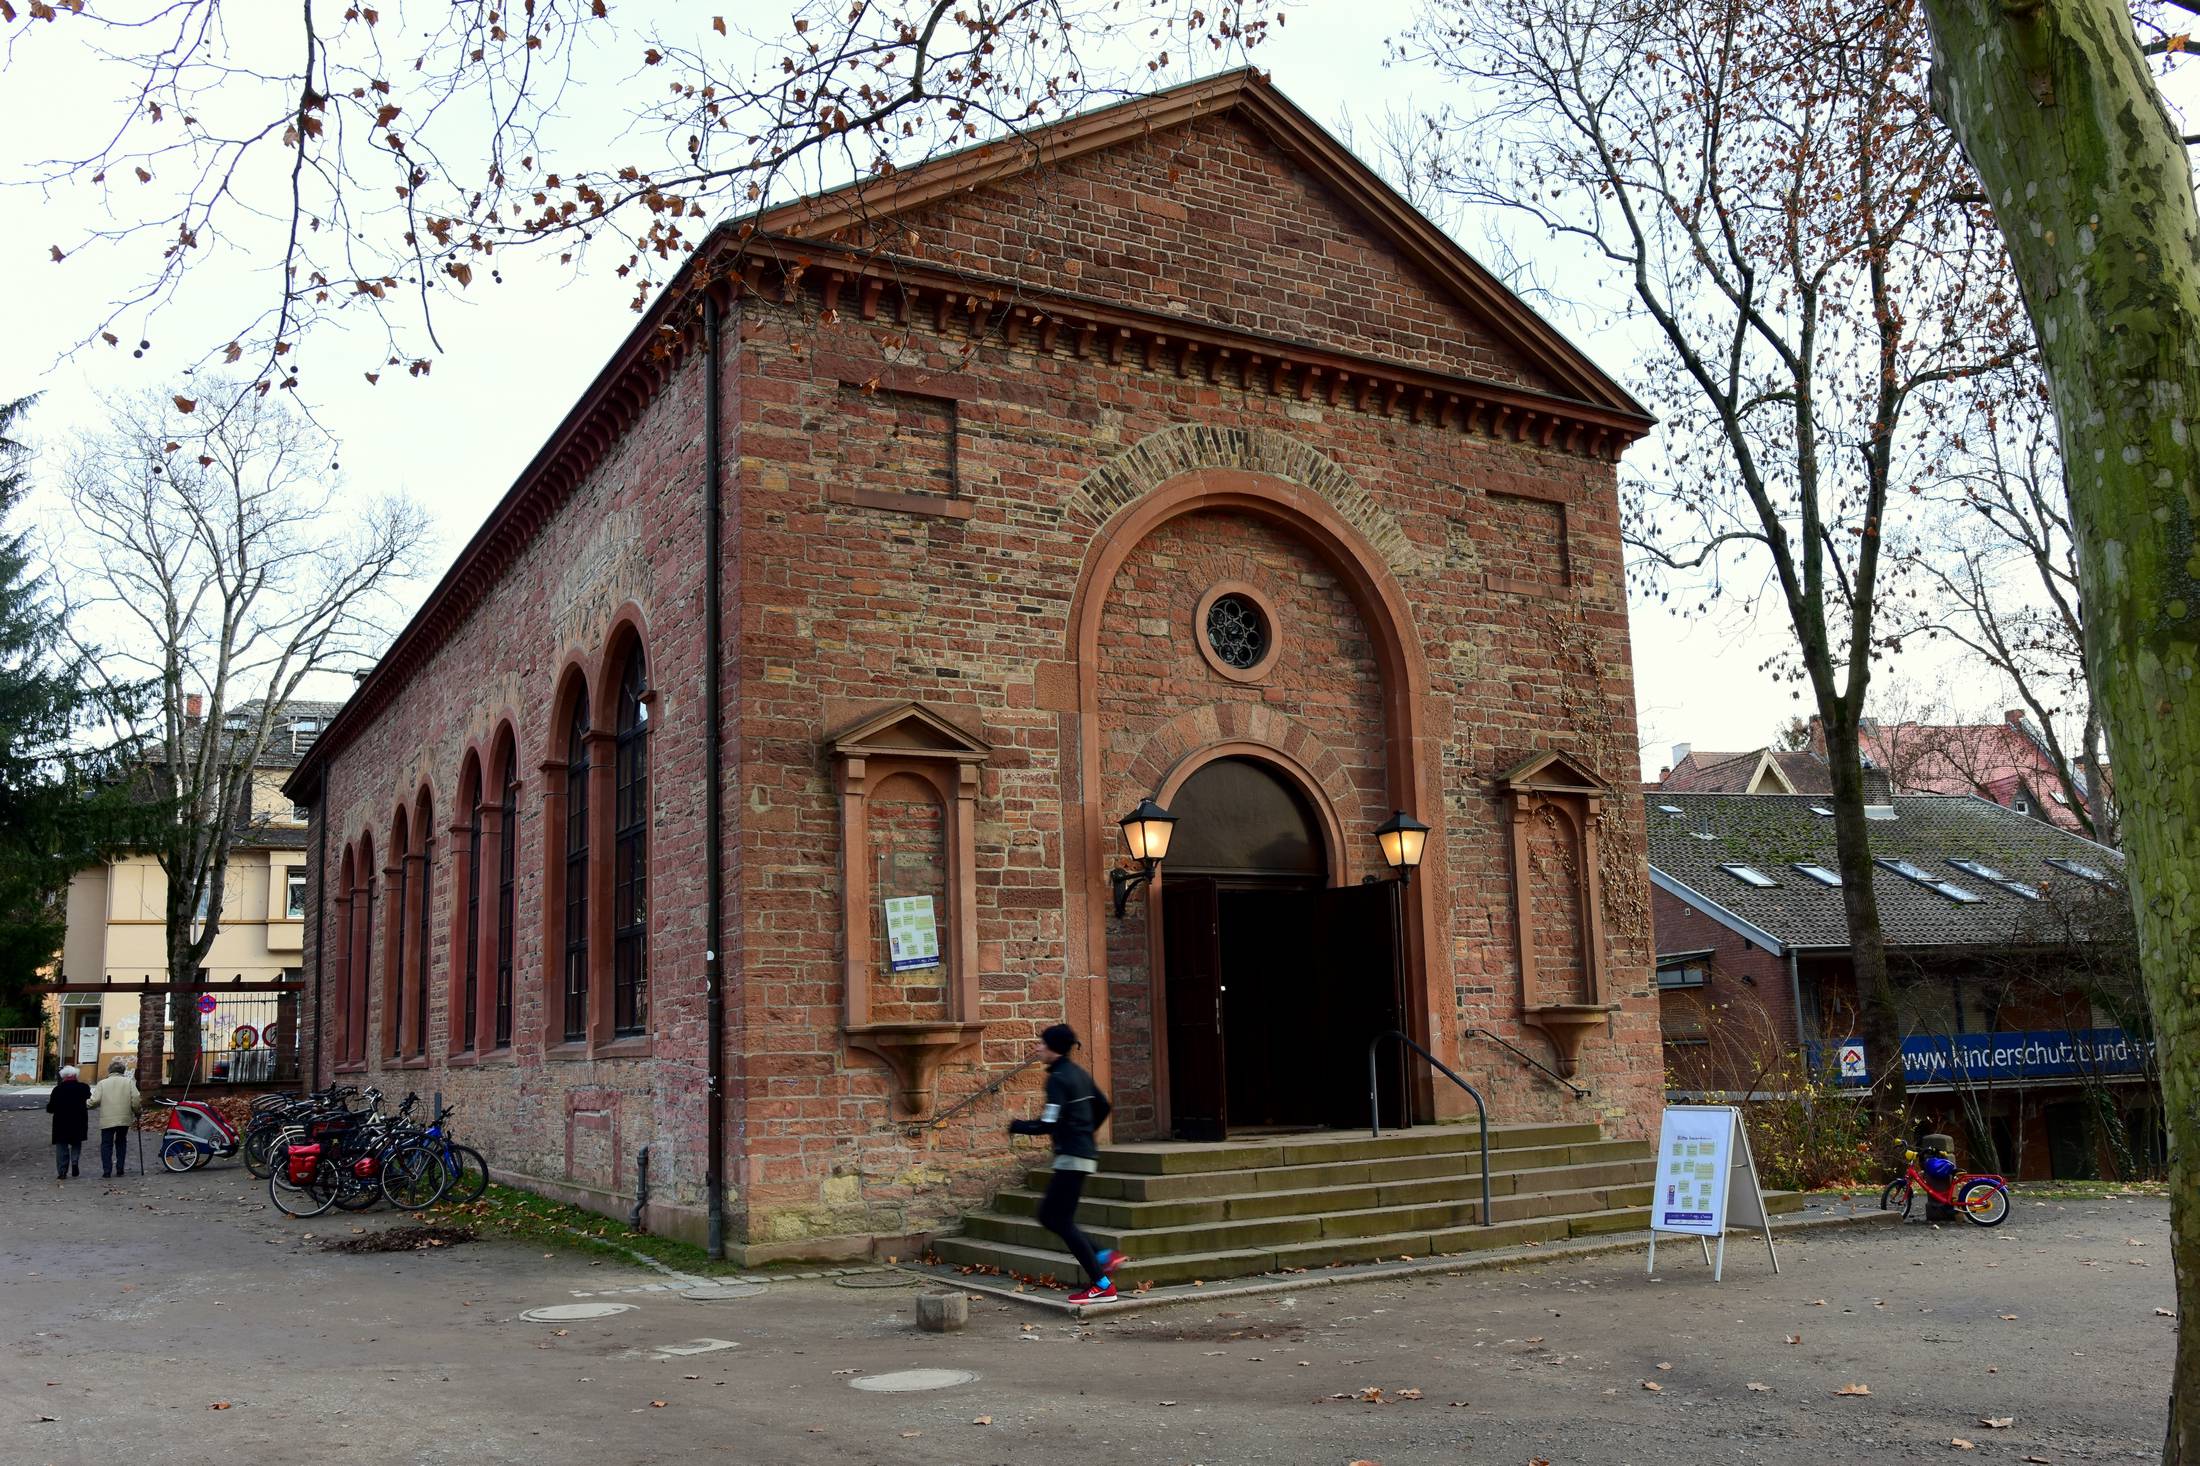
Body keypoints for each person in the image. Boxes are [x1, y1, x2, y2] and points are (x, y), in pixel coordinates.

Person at [1008, 1023, 1131, 1305]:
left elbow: (1048, 1123)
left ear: (1053, 1048)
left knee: (1057, 1219)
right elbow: (1103, 1105)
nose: (1038, 1047)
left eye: (1042, 1043)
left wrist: (1019, 1126)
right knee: (1052, 1217)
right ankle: (1103, 1256)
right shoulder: (1077, 1073)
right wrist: (1085, 1132)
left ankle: (1102, 1284)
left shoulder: (1058, 1078)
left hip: (1072, 1156)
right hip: (1080, 1153)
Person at [90, 1059, 141, 1178]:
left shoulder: (102, 1083)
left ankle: (107, 1170)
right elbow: (136, 1098)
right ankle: (120, 1168)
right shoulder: (129, 1082)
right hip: (124, 1118)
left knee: (106, 1144)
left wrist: (86, 1104)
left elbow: (95, 1100)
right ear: (122, 1071)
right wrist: (137, 1111)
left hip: (107, 1119)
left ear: (110, 1071)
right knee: (121, 1142)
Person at [46, 1065, 92, 1181]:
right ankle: (75, 1161)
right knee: (76, 1141)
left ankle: (62, 1171)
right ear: (75, 1075)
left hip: (61, 1122)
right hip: (79, 1120)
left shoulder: (57, 1089)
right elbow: (89, 1101)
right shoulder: (84, 1088)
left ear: (63, 1077)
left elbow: (50, 1108)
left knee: (61, 1146)